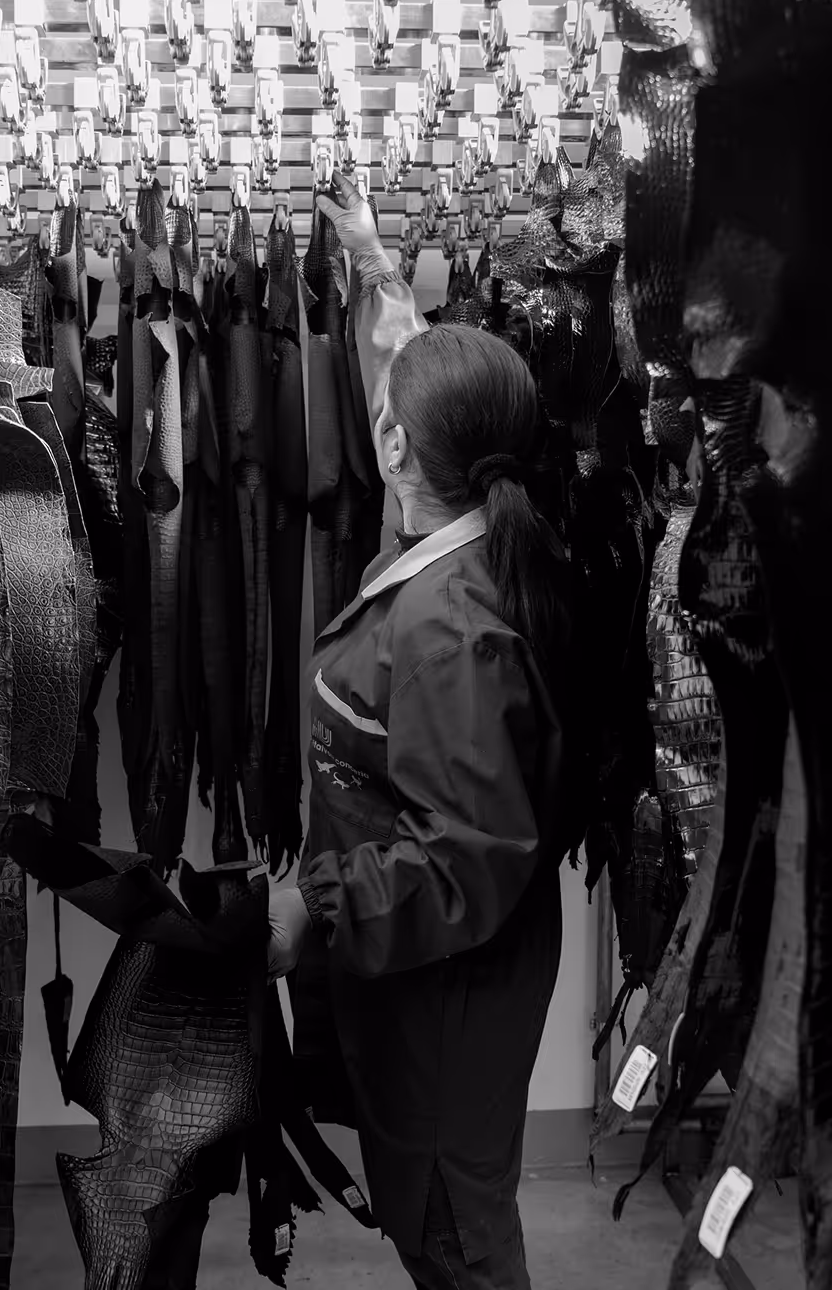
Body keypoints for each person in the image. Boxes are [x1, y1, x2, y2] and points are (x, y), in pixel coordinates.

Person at [264, 173, 574, 1290]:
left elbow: (470, 854)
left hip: (446, 991)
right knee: (430, 1211)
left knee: (453, 1233)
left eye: (388, 424)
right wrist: (371, 263)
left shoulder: (449, 631)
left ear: (395, 448)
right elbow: (409, 368)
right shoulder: (462, 525)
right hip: (421, 977)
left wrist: (311, 905)